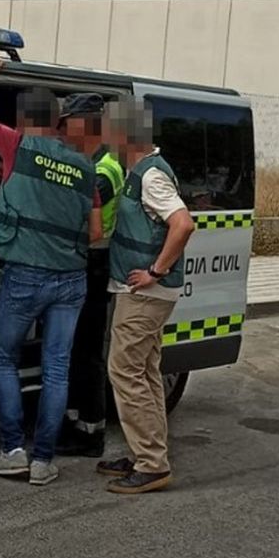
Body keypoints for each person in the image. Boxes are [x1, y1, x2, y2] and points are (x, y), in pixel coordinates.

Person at [0, 51, 103, 486]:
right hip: (71, 280)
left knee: (2, 358)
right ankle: (43, 461)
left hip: (23, 274)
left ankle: (12, 452)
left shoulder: (16, 145)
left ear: (24, 120)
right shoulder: (85, 168)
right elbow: (95, 232)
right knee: (56, 366)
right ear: (58, 122)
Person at [96, 98, 195, 494]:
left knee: (124, 371)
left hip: (145, 294)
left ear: (125, 134)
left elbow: (183, 224)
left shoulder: (151, 176)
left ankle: (152, 464)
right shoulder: (140, 170)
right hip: (148, 293)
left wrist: (156, 271)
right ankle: (147, 453)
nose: (103, 138)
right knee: (146, 372)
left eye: (107, 130)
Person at [57, 103, 125, 458]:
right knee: (73, 349)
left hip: (95, 264)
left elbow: (76, 210)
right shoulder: (89, 161)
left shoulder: (104, 169)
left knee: (87, 352)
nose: (64, 131)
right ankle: (72, 422)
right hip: (83, 262)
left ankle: (91, 433)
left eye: (68, 124)